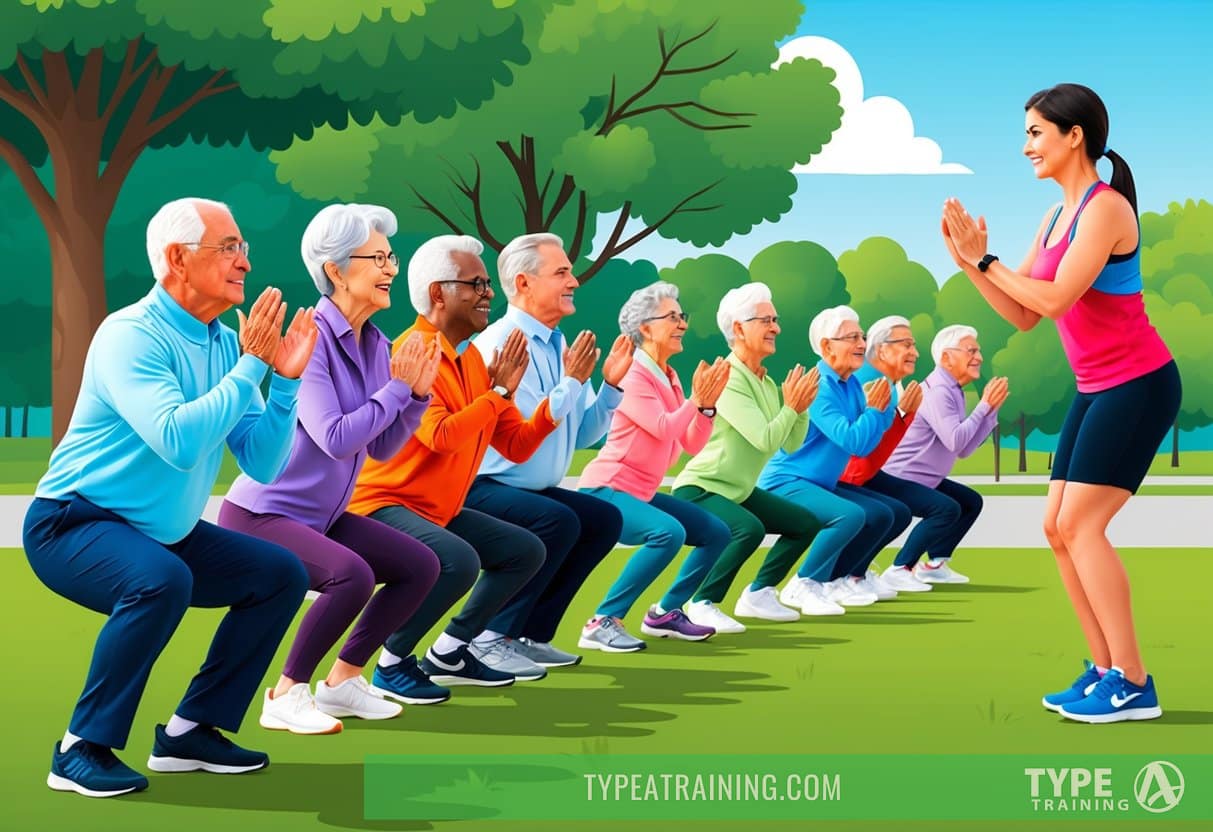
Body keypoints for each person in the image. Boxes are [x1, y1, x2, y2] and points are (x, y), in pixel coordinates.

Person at [23, 197, 316, 797]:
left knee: (282, 573)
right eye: (229, 247)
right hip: (72, 523)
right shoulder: (130, 335)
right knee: (161, 579)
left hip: (160, 532)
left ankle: (192, 731)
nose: (244, 261)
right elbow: (178, 440)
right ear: (178, 259)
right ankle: (80, 750)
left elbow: (261, 460)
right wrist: (253, 365)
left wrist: (283, 383)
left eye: (244, 248)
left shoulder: (222, 344)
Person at [941, 82, 1179, 723]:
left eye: (1035, 133)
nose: (1027, 147)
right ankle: (1105, 670)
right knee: (1054, 528)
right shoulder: (1054, 218)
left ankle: (1133, 680)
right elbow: (1021, 313)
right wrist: (971, 265)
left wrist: (984, 257)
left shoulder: (1104, 211)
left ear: (1075, 136)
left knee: (1081, 524)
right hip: (1097, 386)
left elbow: (1054, 301)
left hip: (1138, 383)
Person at [219, 204, 442, 735]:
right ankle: (287, 693)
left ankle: (342, 683)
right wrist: (397, 389)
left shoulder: (377, 345)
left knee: (421, 567)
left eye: (393, 256)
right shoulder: (313, 338)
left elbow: (382, 445)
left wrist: (417, 395)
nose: (391, 268)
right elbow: (335, 435)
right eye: (379, 258)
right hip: (261, 514)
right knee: (352, 576)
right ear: (336, 270)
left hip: (322, 516)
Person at [348, 234, 554, 698]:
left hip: (436, 506)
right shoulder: (411, 351)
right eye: (476, 284)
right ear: (438, 294)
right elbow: (440, 435)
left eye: (486, 284)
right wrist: (497, 395)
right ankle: (392, 661)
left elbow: (515, 445)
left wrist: (554, 405)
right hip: (385, 503)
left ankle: (449, 652)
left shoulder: (475, 361)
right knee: (457, 560)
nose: (488, 294)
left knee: (525, 551)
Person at [463, 233, 629, 661]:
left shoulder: (561, 346)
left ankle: (529, 636)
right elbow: (525, 433)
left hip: (526, 488)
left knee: (602, 519)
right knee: (558, 521)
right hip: (485, 484)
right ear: (523, 283)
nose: (573, 280)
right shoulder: (502, 344)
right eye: (561, 272)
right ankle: (486, 637)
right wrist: (571, 382)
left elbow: (581, 435)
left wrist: (610, 387)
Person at [578, 282, 732, 649]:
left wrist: (706, 407)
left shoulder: (670, 377)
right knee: (668, 533)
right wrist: (696, 399)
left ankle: (665, 613)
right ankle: (602, 621)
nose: (682, 324)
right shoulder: (633, 374)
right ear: (645, 328)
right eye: (672, 317)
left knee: (717, 532)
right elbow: (663, 425)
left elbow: (690, 442)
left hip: (641, 493)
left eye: (683, 317)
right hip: (607, 490)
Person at [670, 282, 821, 631]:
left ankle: (758, 594)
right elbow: (765, 440)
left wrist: (799, 409)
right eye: (766, 320)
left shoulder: (767, 384)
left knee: (804, 524)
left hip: (737, 489)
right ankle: (701, 602)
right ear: (738, 328)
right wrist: (791, 406)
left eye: (776, 319)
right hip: (703, 487)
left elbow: (791, 445)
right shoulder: (729, 377)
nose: (776, 328)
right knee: (747, 529)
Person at [759, 306, 910, 611]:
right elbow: (851, 438)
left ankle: (838, 580)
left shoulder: (852, 384)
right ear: (827, 346)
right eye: (852, 337)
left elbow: (865, 445)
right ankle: (803, 585)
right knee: (850, 515)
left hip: (820, 483)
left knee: (884, 513)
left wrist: (880, 411)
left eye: (862, 336)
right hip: (787, 481)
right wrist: (874, 411)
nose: (861, 344)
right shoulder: (819, 386)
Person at [877, 325, 1002, 588]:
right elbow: (956, 440)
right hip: (899, 478)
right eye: (971, 351)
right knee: (946, 509)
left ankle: (935, 564)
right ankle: (900, 568)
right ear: (946, 357)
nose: (978, 357)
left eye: (978, 351)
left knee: (970, 502)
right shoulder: (938, 392)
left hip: (925, 479)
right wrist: (983, 407)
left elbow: (964, 449)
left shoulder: (953, 390)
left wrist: (990, 415)